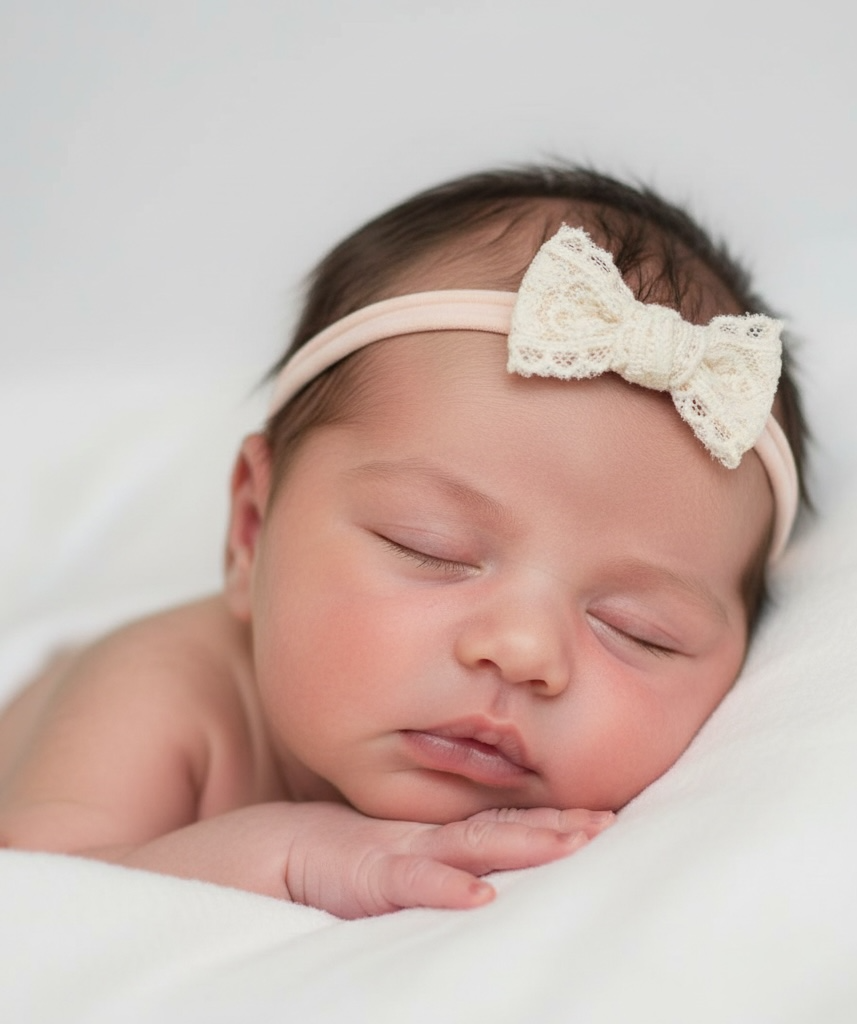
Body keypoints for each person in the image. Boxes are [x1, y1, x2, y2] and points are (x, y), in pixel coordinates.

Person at [0, 166, 808, 918]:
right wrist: (293, 854)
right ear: (252, 529)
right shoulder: (158, 696)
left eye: (638, 629)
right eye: (430, 548)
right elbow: (44, 906)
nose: (523, 651)